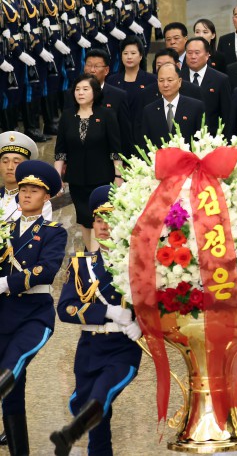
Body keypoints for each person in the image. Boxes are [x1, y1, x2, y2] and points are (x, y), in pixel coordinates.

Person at [50, 185, 143, 456]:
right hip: (89, 349)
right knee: (98, 419)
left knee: (99, 397)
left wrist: (143, 324)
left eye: (111, 219)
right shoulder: (80, 264)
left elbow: (156, 303)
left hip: (122, 348)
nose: (104, 226)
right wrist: (106, 312)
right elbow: (65, 308)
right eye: (99, 219)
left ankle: (70, 434)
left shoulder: (137, 263)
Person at [0, 160, 68, 455]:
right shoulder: (4, 228)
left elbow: (47, 270)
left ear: (47, 196)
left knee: (7, 373)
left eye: (34, 191)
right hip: (3, 314)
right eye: (23, 189)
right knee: (12, 393)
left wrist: (6, 283)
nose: (26, 194)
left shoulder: (54, 231)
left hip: (34, 315)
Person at [54, 75, 123, 248]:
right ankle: (90, 257)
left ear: (95, 92)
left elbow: (115, 149)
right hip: (77, 180)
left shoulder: (106, 114)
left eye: (85, 89)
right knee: (85, 220)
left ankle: (103, 258)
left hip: (102, 178)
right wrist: (57, 178)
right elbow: (60, 151)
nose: (80, 93)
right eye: (77, 89)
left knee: (102, 219)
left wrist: (118, 175)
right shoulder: (68, 116)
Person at [0, 132, 51, 222]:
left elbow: (40, 233)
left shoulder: (39, 200)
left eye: (16, 162)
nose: (10, 167)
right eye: (5, 162)